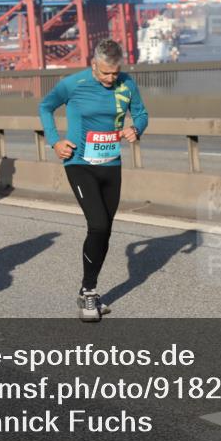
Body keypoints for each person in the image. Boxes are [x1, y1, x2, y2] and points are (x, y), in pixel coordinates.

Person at [38, 39, 149, 322]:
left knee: (105, 230)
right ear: (93, 65)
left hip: (111, 164)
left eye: (115, 72)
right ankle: (89, 293)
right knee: (97, 224)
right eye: (105, 73)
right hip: (79, 163)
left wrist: (137, 128)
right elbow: (45, 106)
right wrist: (55, 142)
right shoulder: (73, 84)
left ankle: (87, 287)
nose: (111, 78)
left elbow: (141, 113)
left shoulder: (127, 83)